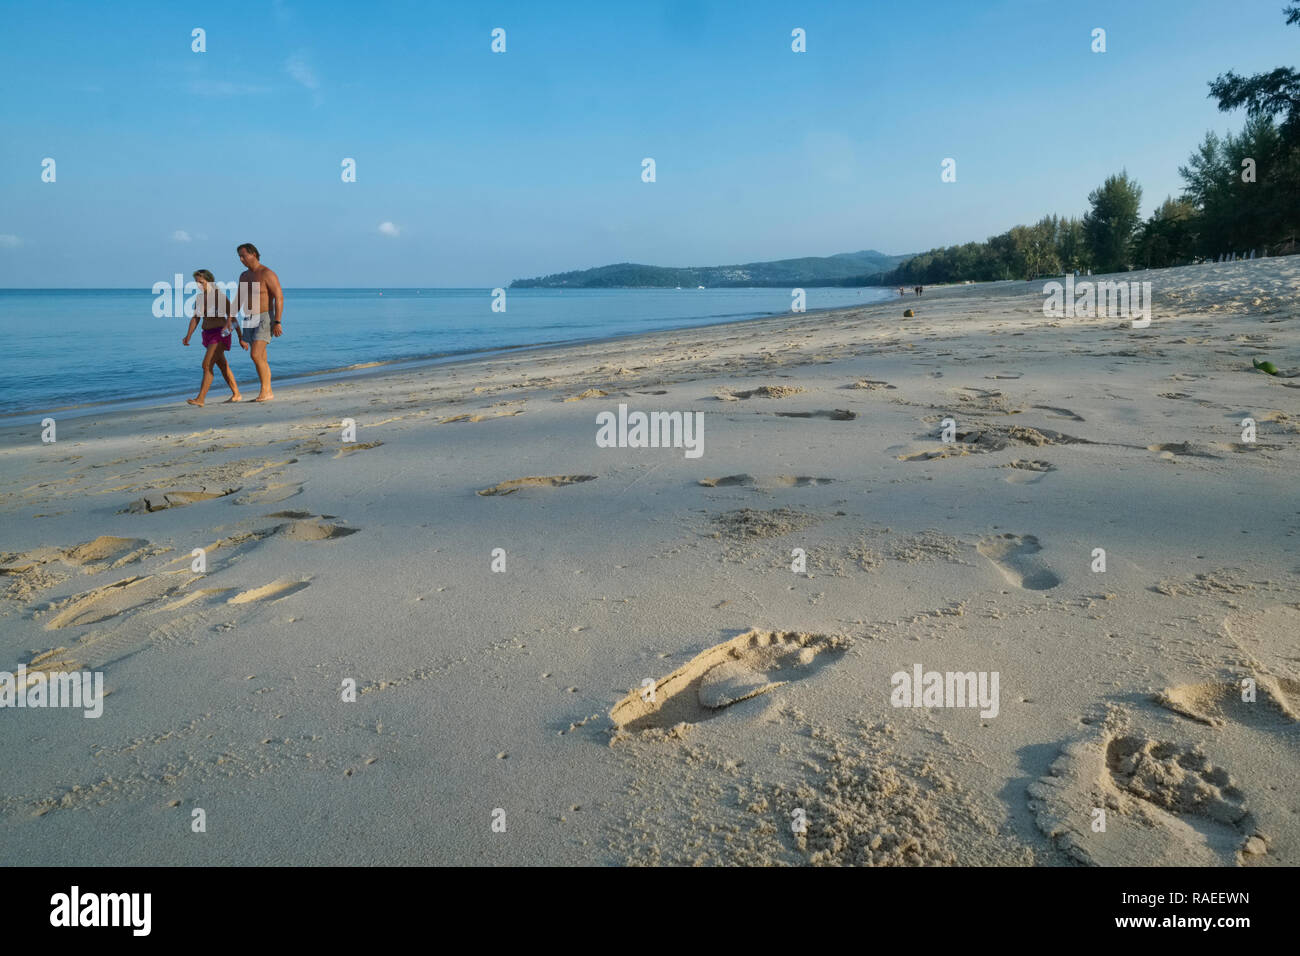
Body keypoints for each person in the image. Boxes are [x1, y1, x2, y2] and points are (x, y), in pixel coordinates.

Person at [182, 269, 243, 406]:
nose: (198, 285)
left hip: (220, 335)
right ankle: (237, 394)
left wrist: (240, 337)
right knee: (223, 366)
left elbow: (232, 318)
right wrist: (188, 336)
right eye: (197, 282)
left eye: (201, 282)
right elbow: (196, 318)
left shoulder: (220, 297)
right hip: (207, 335)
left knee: (207, 364)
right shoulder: (200, 298)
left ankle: (201, 399)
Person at [233, 242, 284, 402]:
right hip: (249, 317)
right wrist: (230, 319)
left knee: (255, 355)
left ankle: (265, 391)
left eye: (244, 255)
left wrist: (277, 321)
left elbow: (279, 297)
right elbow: (239, 298)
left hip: (264, 317)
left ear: (253, 254)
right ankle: (267, 390)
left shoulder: (267, 273)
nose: (241, 259)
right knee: (261, 357)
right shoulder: (244, 276)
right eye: (239, 257)